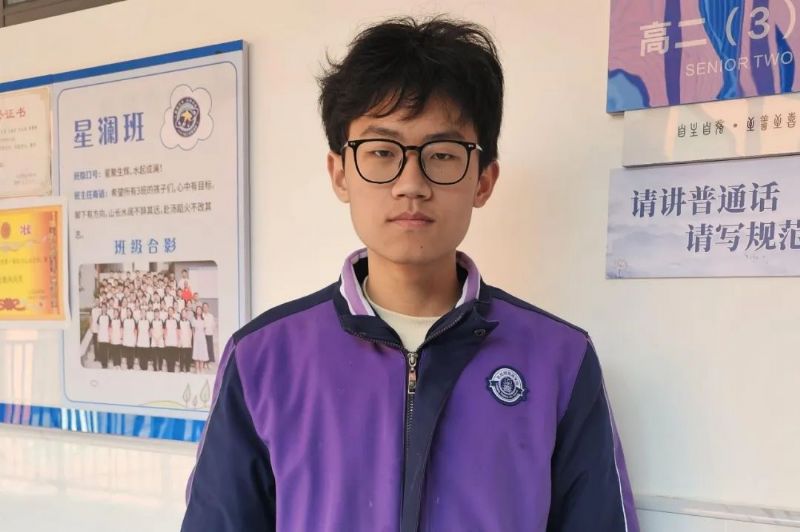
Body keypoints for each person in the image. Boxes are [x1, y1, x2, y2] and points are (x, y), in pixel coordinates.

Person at [182, 17, 638, 532]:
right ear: (340, 173)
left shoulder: (560, 360)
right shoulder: (263, 359)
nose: (411, 183)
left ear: (484, 181)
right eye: (382, 152)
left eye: (442, 155)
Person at [190, 306, 210, 372]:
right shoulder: (194, 319)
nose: (198, 311)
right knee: (196, 353)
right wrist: (194, 338)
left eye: (200, 310)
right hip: (196, 337)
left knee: (202, 353)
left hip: (202, 337)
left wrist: (203, 337)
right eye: (197, 310)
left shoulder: (203, 319)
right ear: (196, 311)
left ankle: (201, 369)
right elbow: (193, 330)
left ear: (201, 311)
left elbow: (204, 329)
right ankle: (197, 369)